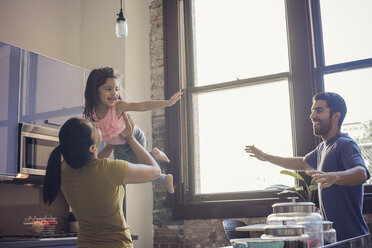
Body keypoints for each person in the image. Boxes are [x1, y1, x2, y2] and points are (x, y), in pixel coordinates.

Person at [245, 92, 370, 241]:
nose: (312, 116)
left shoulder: (344, 144)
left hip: (353, 239)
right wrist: (266, 157)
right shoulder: (323, 148)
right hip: (336, 239)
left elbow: (361, 173)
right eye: (312, 111)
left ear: (335, 116)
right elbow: (302, 162)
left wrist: (334, 176)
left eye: (319, 110)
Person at [43, 115, 160, 248]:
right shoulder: (110, 169)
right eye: (93, 127)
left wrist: (110, 145)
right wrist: (131, 138)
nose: (97, 125)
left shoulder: (64, 169)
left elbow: (92, 164)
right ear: (92, 148)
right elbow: (155, 171)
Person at [83, 67, 183, 194]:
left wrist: (168, 103)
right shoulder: (91, 113)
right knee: (129, 169)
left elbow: (143, 105)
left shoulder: (118, 106)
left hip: (133, 135)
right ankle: (157, 162)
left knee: (134, 168)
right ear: (95, 91)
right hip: (119, 143)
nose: (114, 93)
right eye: (108, 89)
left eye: (117, 89)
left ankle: (158, 164)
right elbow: (95, 143)